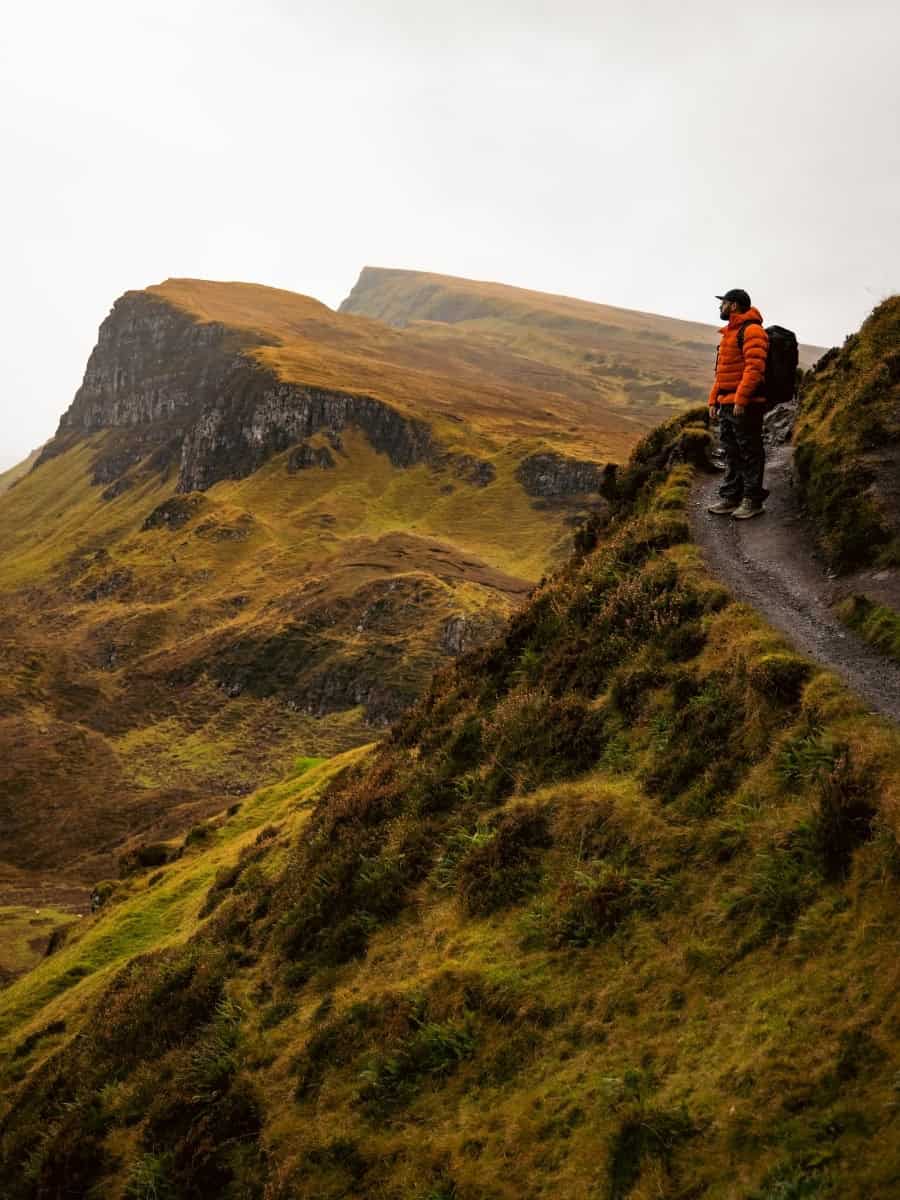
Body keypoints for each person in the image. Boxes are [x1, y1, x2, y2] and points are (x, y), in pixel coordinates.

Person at [707, 288, 769, 519]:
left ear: (733, 305)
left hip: (746, 403)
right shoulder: (729, 334)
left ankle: (752, 500)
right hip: (727, 402)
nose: (720, 307)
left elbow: (754, 369)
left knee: (750, 451)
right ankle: (731, 497)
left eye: (723, 303)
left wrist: (741, 399)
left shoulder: (752, 331)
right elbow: (722, 372)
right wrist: (714, 399)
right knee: (731, 451)